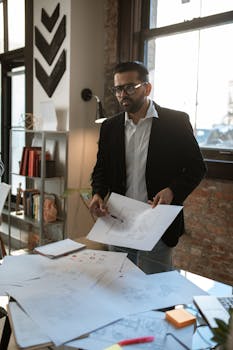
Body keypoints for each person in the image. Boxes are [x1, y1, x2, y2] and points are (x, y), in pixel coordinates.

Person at [89, 61, 206, 274]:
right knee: (119, 286)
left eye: (129, 87)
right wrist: (97, 193)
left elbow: (196, 167)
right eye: (117, 89)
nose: (122, 94)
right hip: (118, 221)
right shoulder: (109, 127)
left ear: (147, 87)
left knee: (155, 292)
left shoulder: (175, 121)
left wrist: (172, 191)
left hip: (157, 223)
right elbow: (101, 169)